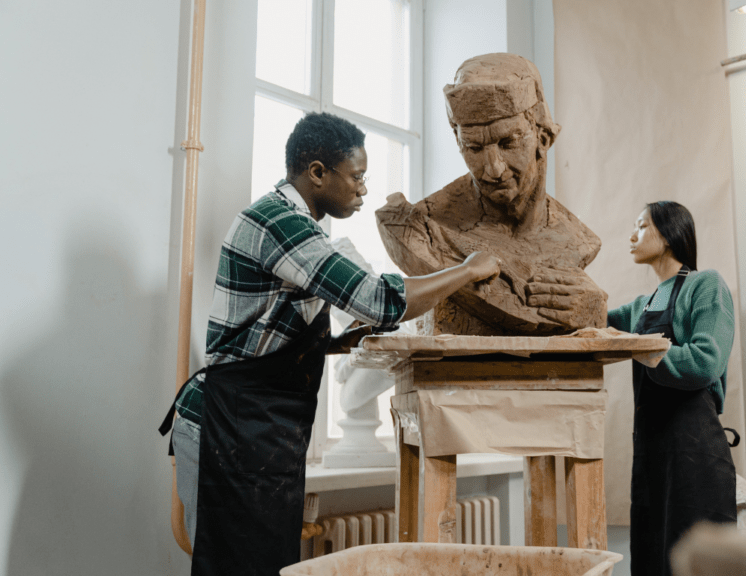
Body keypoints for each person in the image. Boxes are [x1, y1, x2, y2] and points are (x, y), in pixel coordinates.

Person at [158, 112, 499, 576]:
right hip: (228, 427)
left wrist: (334, 343)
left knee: (266, 565)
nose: (362, 190)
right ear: (317, 172)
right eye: (356, 177)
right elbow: (378, 300)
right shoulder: (280, 222)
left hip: (259, 434)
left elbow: (267, 331)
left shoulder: (302, 226)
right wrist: (467, 271)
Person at [376, 52, 607, 336]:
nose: (493, 169)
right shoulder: (419, 228)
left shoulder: (579, 241)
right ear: (458, 143)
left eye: (508, 142)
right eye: (473, 148)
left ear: (543, 138)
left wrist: (595, 313)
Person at [607, 201, 737, 576]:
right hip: (652, 452)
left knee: (697, 563)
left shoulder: (705, 284)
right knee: (653, 556)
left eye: (642, 225)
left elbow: (706, 361)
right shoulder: (641, 306)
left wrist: (638, 346)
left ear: (668, 233)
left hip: (694, 449)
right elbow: (590, 320)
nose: (632, 235)